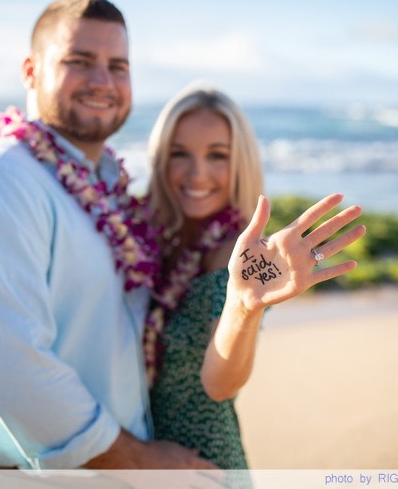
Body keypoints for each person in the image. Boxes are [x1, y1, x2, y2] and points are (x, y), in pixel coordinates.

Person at [0, 0, 218, 470]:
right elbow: (15, 375)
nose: (103, 81)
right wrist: (141, 461)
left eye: (118, 66)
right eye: (79, 62)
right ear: (30, 70)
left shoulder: (111, 190)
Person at [143, 83, 367, 469]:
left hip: (201, 466)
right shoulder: (148, 240)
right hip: (133, 456)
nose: (197, 174)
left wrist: (244, 306)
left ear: (241, 163)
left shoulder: (238, 256)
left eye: (217, 156)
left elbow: (221, 385)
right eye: (180, 154)